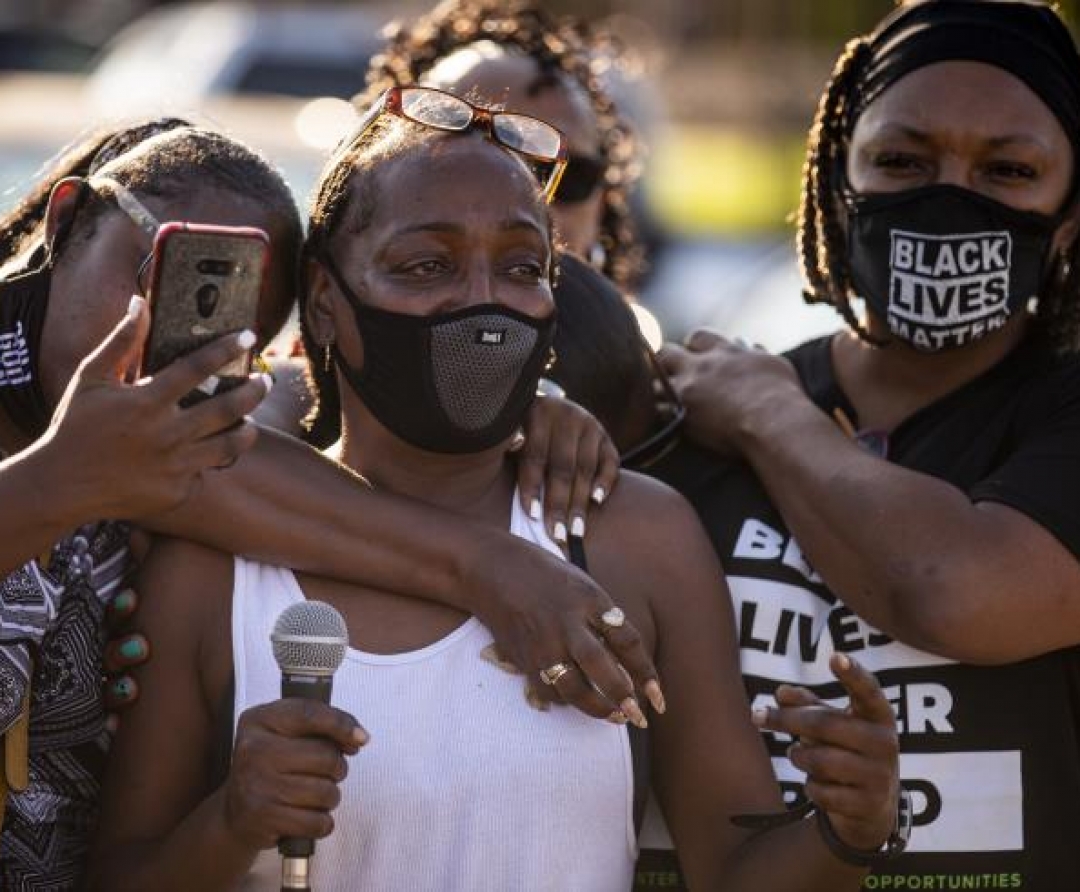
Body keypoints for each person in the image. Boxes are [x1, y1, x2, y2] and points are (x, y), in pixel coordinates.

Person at [90, 86, 902, 892]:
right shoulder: (212, 568)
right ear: (326, 303)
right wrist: (231, 824)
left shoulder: (636, 539)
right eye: (427, 265)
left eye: (522, 266)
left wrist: (847, 832)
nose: (483, 299)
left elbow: (734, 870)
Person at [0, 122, 654, 890]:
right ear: (68, 218)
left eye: (226, 315)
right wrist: (58, 482)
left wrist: (528, 410)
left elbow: (334, 430)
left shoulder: (186, 448)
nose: (168, 336)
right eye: (165, 271)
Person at [651, 1, 1080, 885]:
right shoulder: (691, 412)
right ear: (838, 180)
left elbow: (957, 591)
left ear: (1068, 215)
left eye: (1008, 169)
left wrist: (772, 420)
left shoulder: (747, 404)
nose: (947, 195)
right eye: (900, 160)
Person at [361, 0, 645, 291]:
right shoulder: (334, 328)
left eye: (570, 178)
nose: (528, 208)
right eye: (470, 166)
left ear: (601, 207)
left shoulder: (632, 336)